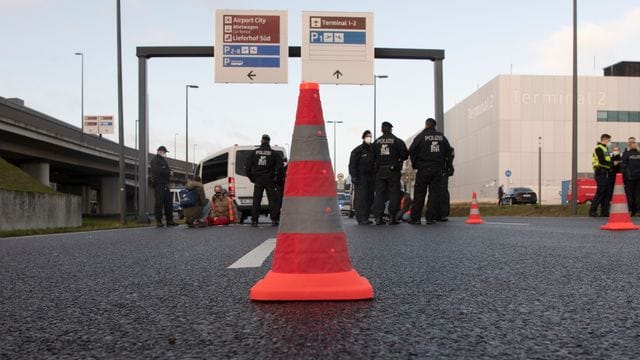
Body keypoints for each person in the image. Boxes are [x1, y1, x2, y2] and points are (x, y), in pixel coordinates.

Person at [408, 118, 452, 225]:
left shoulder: (421, 136)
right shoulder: (441, 137)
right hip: (437, 170)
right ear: (435, 126)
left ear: (426, 125)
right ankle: (431, 218)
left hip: (423, 169)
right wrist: (446, 166)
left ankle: (416, 218)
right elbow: (449, 152)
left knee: (419, 194)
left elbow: (412, 150)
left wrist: (415, 164)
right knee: (434, 194)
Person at [372, 121, 408, 225]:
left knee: (379, 194)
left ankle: (378, 218)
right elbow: (405, 155)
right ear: (391, 129)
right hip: (393, 171)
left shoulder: (376, 142)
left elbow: (371, 157)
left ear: (381, 129)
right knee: (394, 193)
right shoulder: (397, 141)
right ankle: (393, 217)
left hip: (380, 171)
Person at [245, 134, 283, 227]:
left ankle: (254, 220)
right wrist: (277, 180)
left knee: (256, 200)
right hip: (269, 179)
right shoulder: (273, 153)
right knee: (272, 200)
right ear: (269, 141)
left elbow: (247, 167)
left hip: (258, 179)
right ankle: (274, 219)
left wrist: (252, 178)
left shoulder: (254, 152)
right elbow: (280, 168)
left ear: (261, 141)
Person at [348, 130, 375, 225]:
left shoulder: (373, 149)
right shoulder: (357, 150)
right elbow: (352, 165)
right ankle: (361, 218)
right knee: (362, 198)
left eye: (370, 136)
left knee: (370, 198)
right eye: (367, 136)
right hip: (361, 177)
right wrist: (354, 176)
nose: (369, 138)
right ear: (363, 138)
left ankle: (366, 217)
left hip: (371, 177)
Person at [150, 145, 178, 227]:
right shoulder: (155, 160)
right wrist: (169, 172)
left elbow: (166, 169)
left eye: (165, 152)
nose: (165, 153)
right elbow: (158, 171)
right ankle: (158, 221)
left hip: (165, 184)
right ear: (160, 151)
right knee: (159, 203)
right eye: (164, 152)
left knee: (168, 202)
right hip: (159, 184)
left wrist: (170, 171)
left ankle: (170, 220)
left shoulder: (163, 160)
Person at [589, 134, 613, 217]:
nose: (609, 142)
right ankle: (592, 210)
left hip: (606, 173)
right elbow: (601, 161)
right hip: (600, 172)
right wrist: (612, 164)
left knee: (607, 193)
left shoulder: (605, 149)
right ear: (604, 139)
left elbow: (607, 160)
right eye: (609, 140)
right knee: (600, 192)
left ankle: (604, 212)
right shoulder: (599, 148)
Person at [621, 139, 640, 216]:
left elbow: (623, 166)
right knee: (638, 194)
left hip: (629, 178)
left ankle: (630, 210)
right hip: (639, 178)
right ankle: (638, 211)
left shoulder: (626, 154)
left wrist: (623, 177)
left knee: (629, 194)